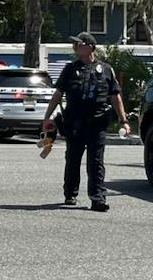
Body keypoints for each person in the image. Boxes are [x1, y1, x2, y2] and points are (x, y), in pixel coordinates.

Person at [40, 33, 130, 212]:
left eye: (78, 44)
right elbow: (58, 94)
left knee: (96, 162)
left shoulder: (106, 69)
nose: (75, 48)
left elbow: (115, 97)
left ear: (90, 47)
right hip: (74, 123)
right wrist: (47, 117)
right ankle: (70, 193)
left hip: (98, 124)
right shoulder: (70, 69)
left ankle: (98, 198)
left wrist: (124, 121)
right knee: (73, 159)